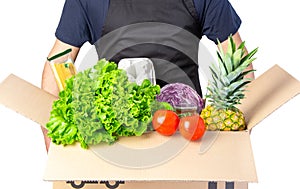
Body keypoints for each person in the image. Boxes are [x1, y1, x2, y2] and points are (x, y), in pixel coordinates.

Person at [41, 0, 254, 152]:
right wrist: (57, 153)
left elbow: (239, 63)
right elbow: (58, 62)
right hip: (115, 143)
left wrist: (234, 146)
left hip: (187, 137)